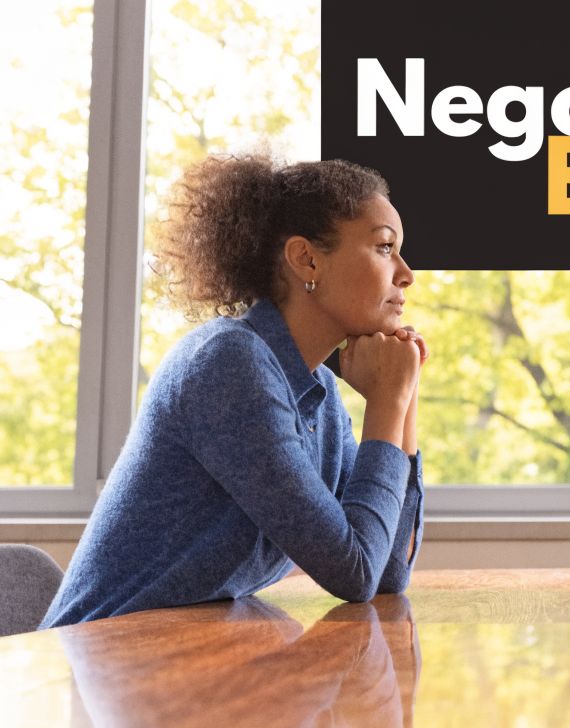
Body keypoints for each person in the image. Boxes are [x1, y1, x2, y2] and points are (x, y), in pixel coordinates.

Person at [42, 155, 427, 628]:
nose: (406, 273)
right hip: (93, 666)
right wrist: (388, 401)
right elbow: (356, 572)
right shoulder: (229, 364)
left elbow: (387, 569)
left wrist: (401, 394)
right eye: (385, 248)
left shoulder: (316, 393)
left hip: (178, 664)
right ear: (306, 259)